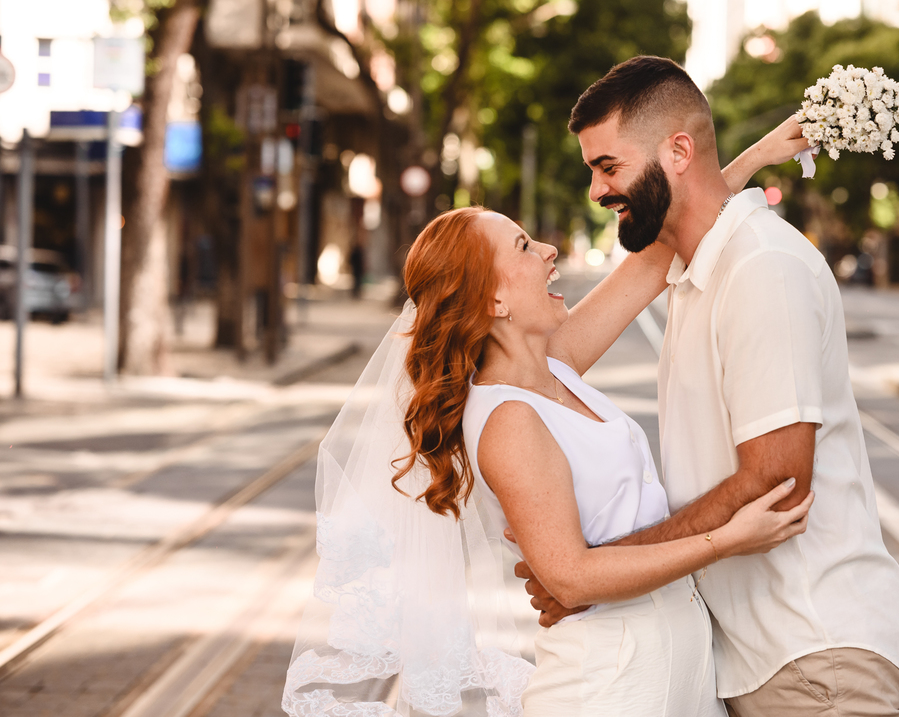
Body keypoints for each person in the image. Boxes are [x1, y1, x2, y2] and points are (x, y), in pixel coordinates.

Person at [282, 127, 813, 717]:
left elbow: (658, 255)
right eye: (523, 247)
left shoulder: (554, 367)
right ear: (493, 301)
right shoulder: (508, 419)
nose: (548, 251)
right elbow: (571, 578)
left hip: (668, 668)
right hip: (610, 685)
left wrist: (755, 156)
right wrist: (726, 540)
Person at [519, 55, 899, 717]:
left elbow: (777, 483)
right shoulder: (698, 266)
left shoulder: (762, 268)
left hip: (813, 662)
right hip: (756, 661)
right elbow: (689, 213)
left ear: (677, 150)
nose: (595, 192)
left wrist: (591, 575)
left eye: (607, 166)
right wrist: (750, 159)